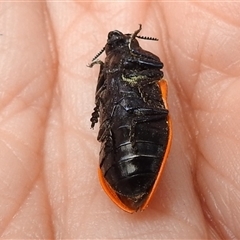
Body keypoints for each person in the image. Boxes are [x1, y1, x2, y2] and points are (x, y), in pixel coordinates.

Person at [0, 2, 239, 239]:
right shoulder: (109, 70)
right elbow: (109, 88)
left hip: (132, 131)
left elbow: (156, 66)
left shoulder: (133, 68)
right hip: (128, 135)